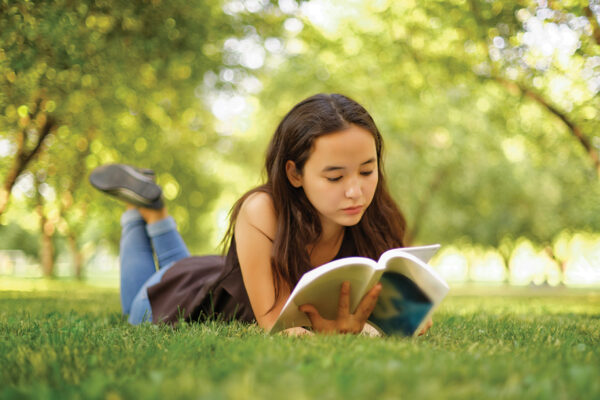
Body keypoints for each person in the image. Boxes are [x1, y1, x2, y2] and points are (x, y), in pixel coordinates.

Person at [90, 93, 433, 336]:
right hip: (176, 300)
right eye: (335, 177)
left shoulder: (376, 214)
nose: (355, 191)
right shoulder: (262, 210)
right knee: (138, 301)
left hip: (203, 274)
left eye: (367, 171)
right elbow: (278, 324)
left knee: (175, 267)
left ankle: (152, 208)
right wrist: (348, 331)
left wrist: (407, 316)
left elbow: (412, 316)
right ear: (294, 174)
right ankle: (141, 212)